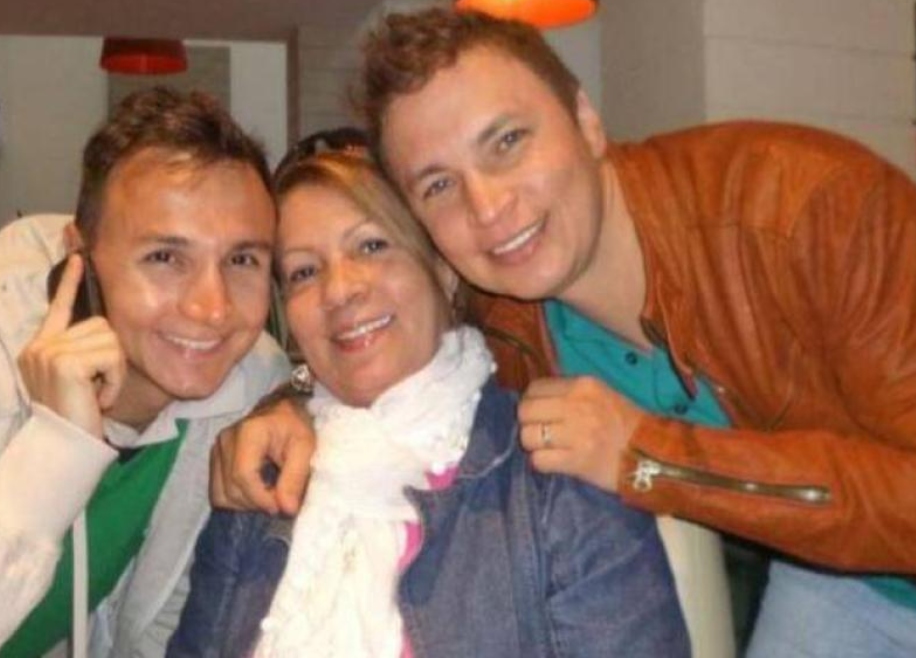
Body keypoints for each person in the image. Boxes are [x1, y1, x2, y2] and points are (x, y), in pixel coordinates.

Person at [213, 8, 916, 656]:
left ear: (586, 120)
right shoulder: (501, 305)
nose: (489, 207)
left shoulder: (811, 210)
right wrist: (291, 404)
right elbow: (385, 337)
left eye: (507, 141)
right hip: (840, 581)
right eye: (439, 185)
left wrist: (648, 455)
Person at [0, 86, 289, 657]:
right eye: (165, 257)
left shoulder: (250, 379)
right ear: (78, 258)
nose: (211, 308)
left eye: (242, 260)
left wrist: (301, 406)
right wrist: (54, 452)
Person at [169, 141, 688, 657]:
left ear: (443, 267)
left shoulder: (556, 476)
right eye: (304, 271)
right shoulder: (259, 481)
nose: (340, 290)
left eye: (372, 246)